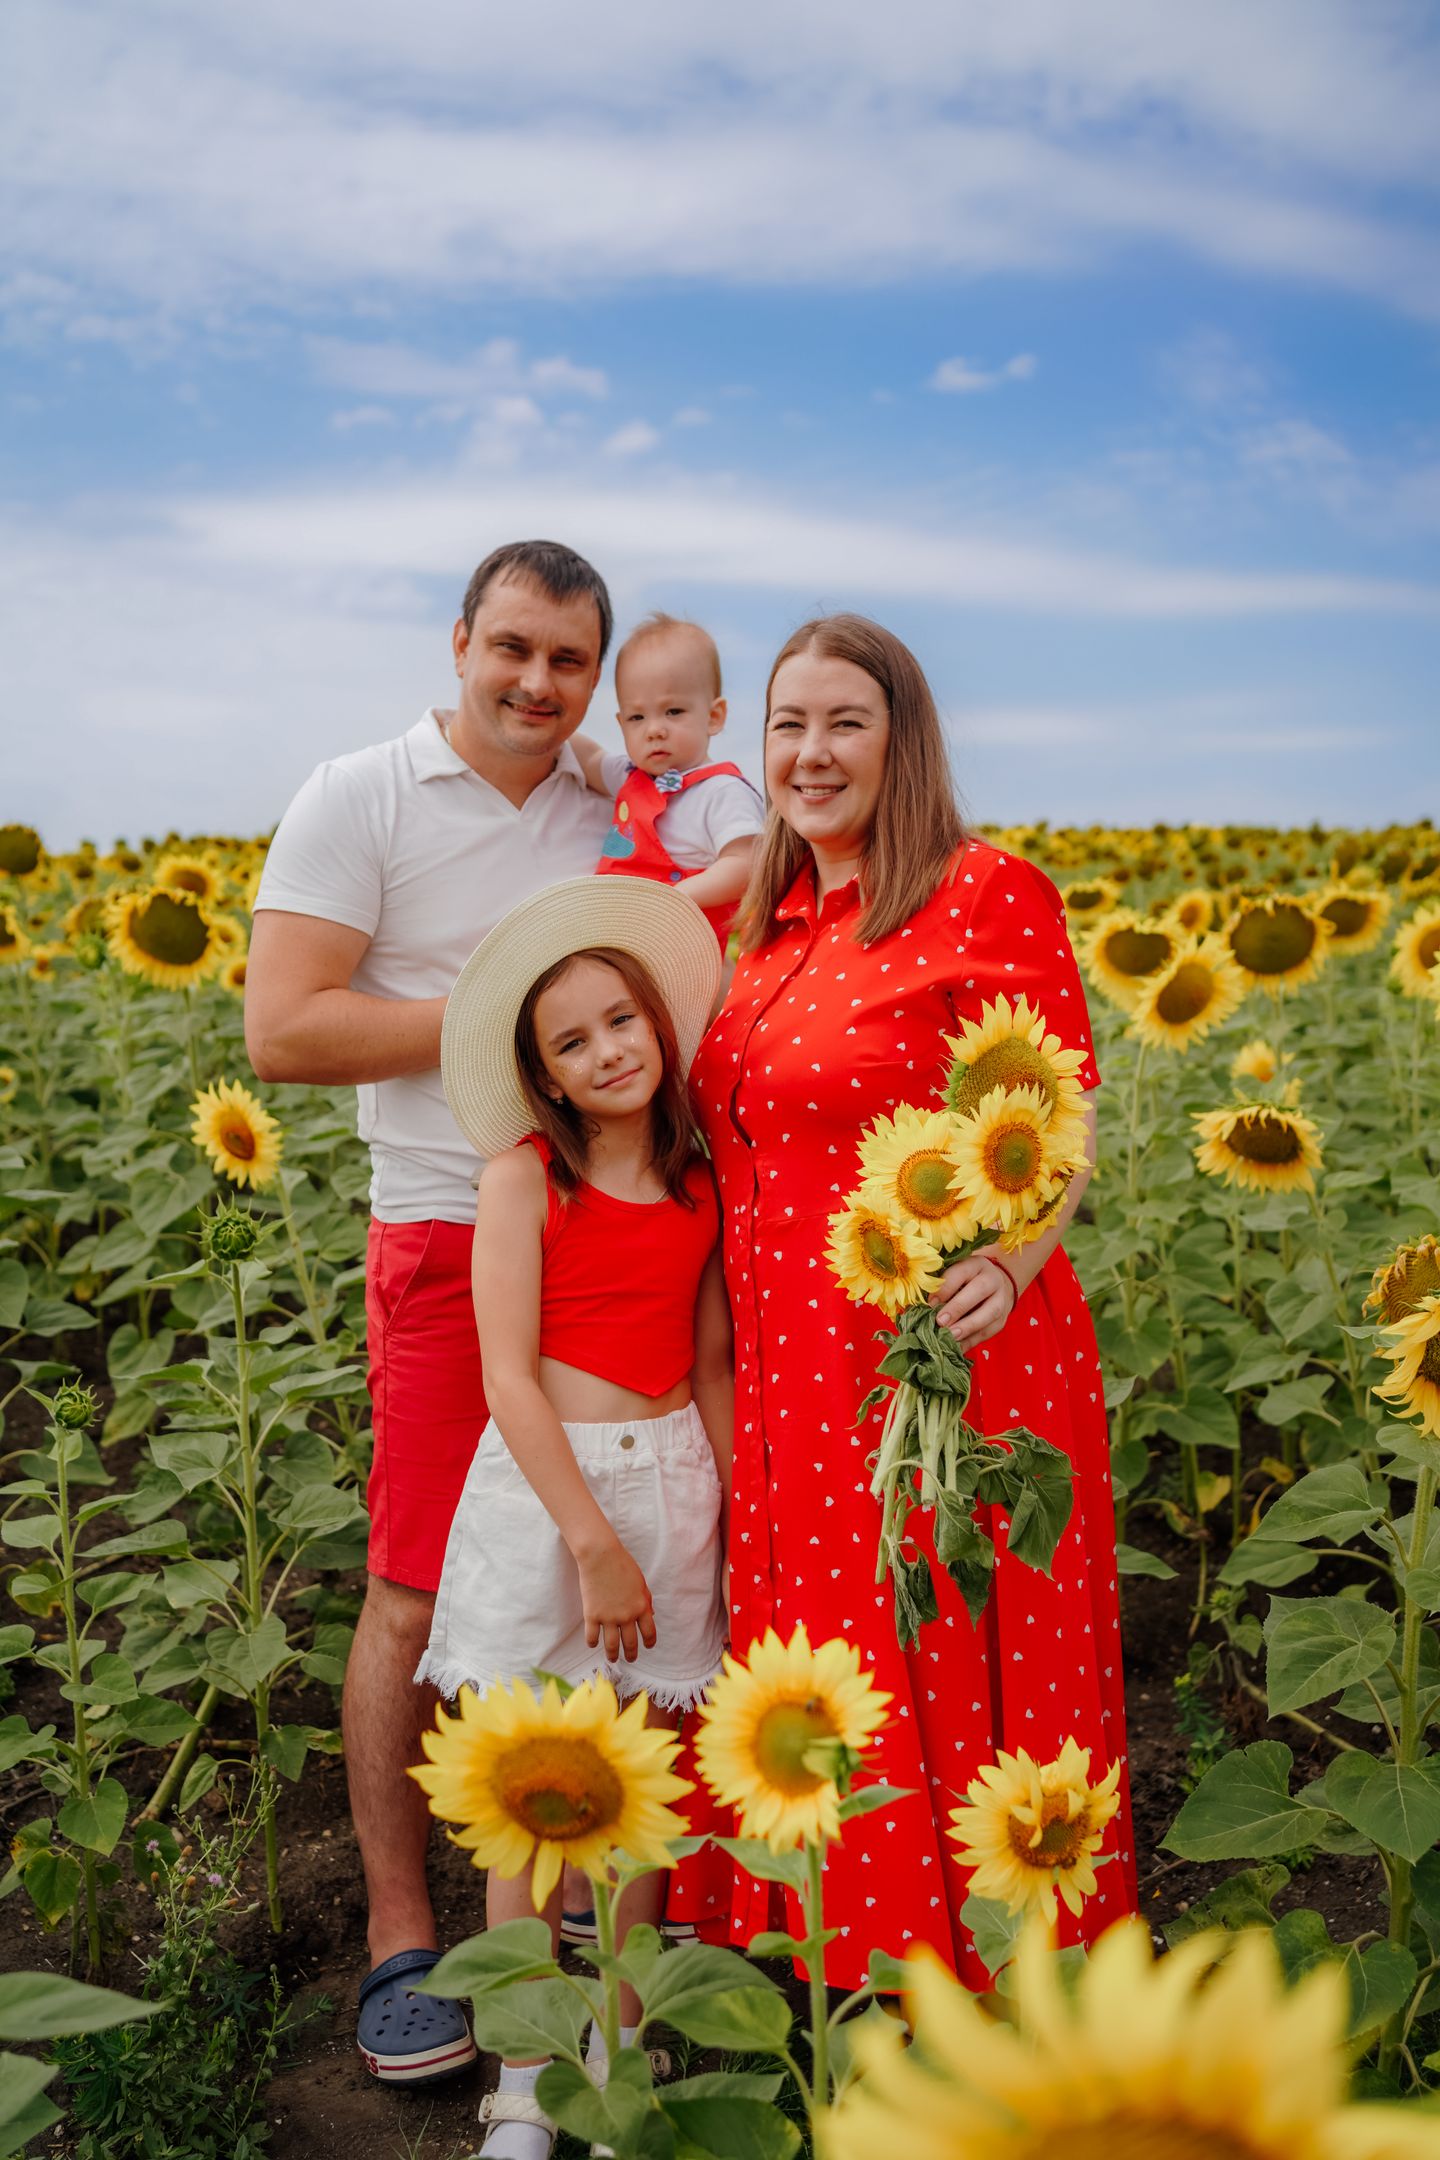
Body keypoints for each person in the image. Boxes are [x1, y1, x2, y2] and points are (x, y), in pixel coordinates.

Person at [689, 613, 1137, 1991]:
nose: (812, 753)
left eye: (846, 723)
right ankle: (853, 1962)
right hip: (787, 1368)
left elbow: (1063, 1113)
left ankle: (989, 1984)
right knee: (836, 1658)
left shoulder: (981, 892)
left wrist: (1017, 1257)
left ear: (905, 740)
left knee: (943, 1645)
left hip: (940, 1357)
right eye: (789, 725)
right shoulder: (760, 922)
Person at [244, 541, 616, 2083]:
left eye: (569, 661)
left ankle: (576, 1916)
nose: (536, 682)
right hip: (447, 1237)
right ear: (459, 640)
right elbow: (283, 1028)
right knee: (415, 1584)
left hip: (611, 1235)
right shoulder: (361, 795)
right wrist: (502, 1025)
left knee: (605, 1572)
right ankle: (406, 1936)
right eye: (513, 647)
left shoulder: (613, 804)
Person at [416, 876, 731, 2160]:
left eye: (621, 1021)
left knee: (640, 1790)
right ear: (542, 1075)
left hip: (673, 1479)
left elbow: (709, 1362)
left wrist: (734, 1507)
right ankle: (524, 2077)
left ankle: (620, 2051)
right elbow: (507, 1378)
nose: (607, 1051)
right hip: (552, 1493)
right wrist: (593, 1541)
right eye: (572, 1041)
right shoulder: (523, 1181)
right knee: (534, 1790)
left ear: (657, 1023)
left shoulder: (698, 1179)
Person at [573, 612, 764, 945]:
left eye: (673, 712)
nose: (654, 730)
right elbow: (588, 758)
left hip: (682, 941)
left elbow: (746, 865)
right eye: (637, 717)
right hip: (616, 932)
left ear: (714, 716)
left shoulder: (721, 790)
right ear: (621, 725)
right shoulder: (630, 776)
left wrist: (675, 898)